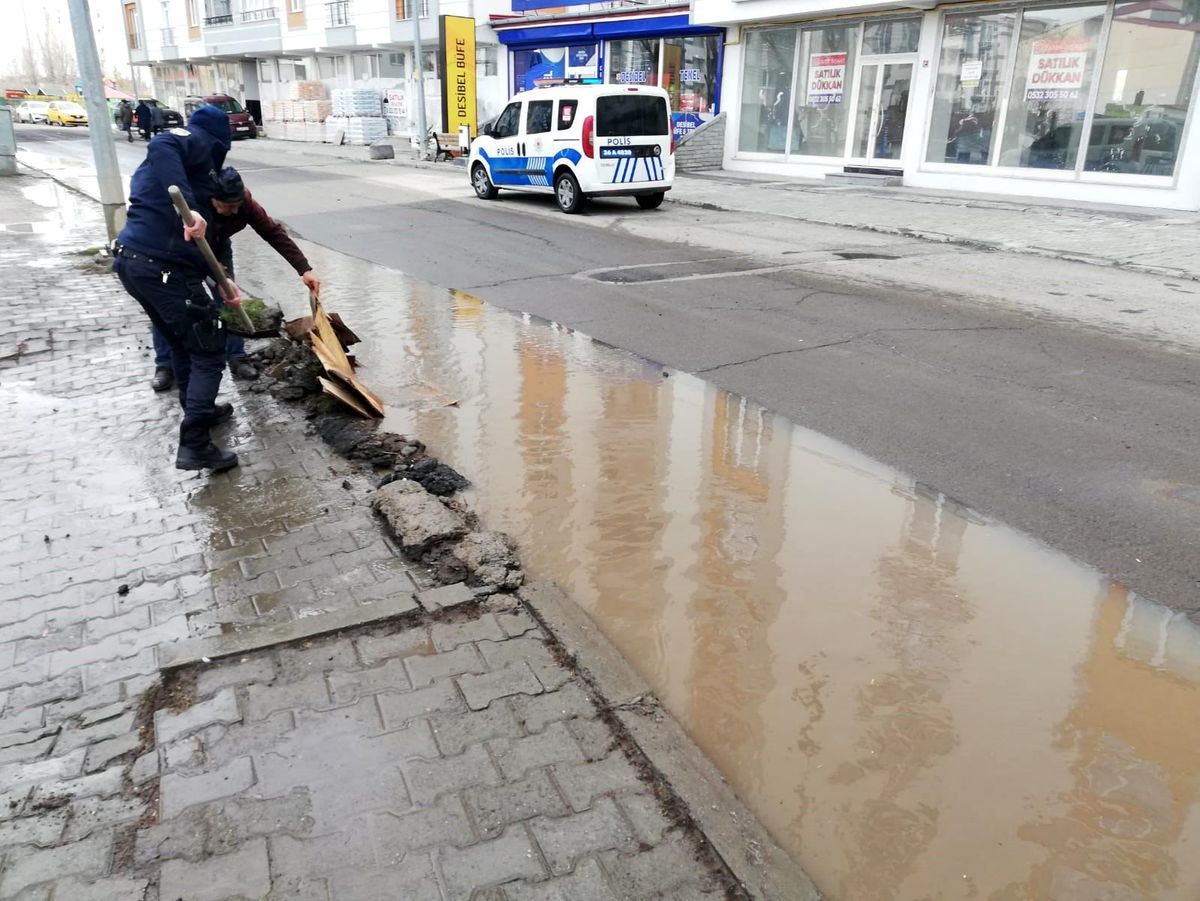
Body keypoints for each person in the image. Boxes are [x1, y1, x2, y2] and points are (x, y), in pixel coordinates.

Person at [115, 104, 243, 472]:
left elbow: (192, 241)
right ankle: (195, 445)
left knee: (183, 345)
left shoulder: (189, 171)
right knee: (208, 349)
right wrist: (188, 205)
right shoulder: (194, 143)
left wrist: (222, 279)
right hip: (161, 269)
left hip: (135, 262)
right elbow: (162, 145)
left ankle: (199, 411)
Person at [148, 167, 322, 384]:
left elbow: (273, 232)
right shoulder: (195, 203)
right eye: (225, 206)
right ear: (212, 198)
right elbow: (190, 250)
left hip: (219, 248)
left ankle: (237, 356)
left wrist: (304, 268)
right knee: (169, 303)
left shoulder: (245, 204)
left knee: (229, 299)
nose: (231, 211)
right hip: (181, 251)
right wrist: (218, 277)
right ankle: (164, 364)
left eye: (235, 206)